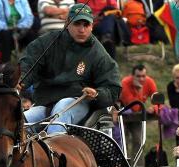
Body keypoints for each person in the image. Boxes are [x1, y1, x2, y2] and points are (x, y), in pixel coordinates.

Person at [19, 3, 121, 134]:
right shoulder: (46, 42)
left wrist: (96, 94)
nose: (82, 29)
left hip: (79, 102)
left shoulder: (99, 53)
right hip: (46, 103)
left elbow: (113, 89)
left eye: (86, 25)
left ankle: (55, 153)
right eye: (77, 24)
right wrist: (20, 80)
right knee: (18, 124)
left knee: (61, 110)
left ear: (92, 26)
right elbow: (28, 64)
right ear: (67, 23)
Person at [119, 64, 158, 165]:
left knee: (138, 140)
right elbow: (134, 106)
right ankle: (123, 166)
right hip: (122, 113)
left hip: (136, 116)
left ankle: (138, 166)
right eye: (138, 76)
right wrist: (139, 89)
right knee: (123, 140)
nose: (141, 79)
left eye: (143, 76)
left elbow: (158, 101)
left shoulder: (149, 82)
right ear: (132, 76)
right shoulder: (125, 83)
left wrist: (154, 108)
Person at [0, 0, 35, 64]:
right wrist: (7, 27)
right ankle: (6, 64)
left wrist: (19, 26)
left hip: (20, 29)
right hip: (3, 30)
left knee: (31, 34)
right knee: (6, 34)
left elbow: (29, 17)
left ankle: (34, 62)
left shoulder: (23, 1)